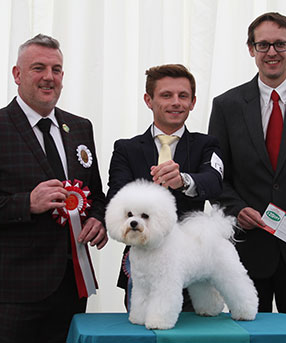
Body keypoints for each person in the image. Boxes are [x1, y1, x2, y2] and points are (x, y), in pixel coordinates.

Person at [0, 34, 108, 342]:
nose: (49, 77)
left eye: (56, 69)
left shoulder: (80, 127)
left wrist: (97, 219)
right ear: (17, 74)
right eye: (38, 68)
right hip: (14, 292)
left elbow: (95, 195)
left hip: (72, 287)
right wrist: (27, 203)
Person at [107, 64, 223, 310]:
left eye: (183, 96)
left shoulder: (207, 145)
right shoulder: (126, 149)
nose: (176, 102)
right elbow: (116, 197)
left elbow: (214, 183)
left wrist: (184, 180)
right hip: (143, 267)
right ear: (148, 100)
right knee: (145, 330)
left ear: (193, 102)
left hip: (196, 265)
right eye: (166, 95)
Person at [208, 12, 286, 319]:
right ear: (251, 49)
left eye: (280, 44)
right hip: (247, 252)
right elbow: (216, 176)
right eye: (263, 45)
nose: (271, 52)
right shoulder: (227, 106)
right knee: (247, 337)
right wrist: (235, 208)